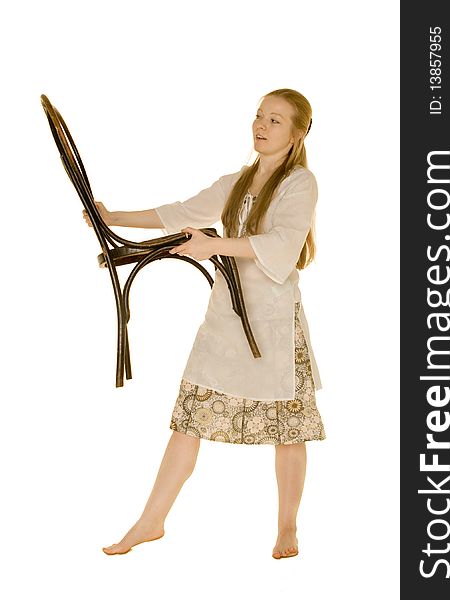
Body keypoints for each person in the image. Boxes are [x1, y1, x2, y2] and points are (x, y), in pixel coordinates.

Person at [83, 88, 326, 560]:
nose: (261, 124)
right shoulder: (236, 181)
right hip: (225, 320)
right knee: (187, 421)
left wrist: (214, 246)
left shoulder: (301, 182)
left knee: (288, 429)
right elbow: (180, 213)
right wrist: (111, 216)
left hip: (273, 322)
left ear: (297, 133)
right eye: (259, 116)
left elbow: (282, 243)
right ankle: (150, 523)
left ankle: (287, 528)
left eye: (275, 120)